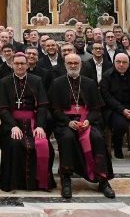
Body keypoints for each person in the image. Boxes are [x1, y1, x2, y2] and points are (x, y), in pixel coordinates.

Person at [48, 54, 114, 199]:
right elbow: (54, 109)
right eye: (69, 63)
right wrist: (67, 122)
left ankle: (103, 180)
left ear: (81, 65)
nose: (73, 65)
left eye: (75, 63)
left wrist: (88, 121)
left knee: (97, 138)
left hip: (86, 122)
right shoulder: (57, 83)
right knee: (67, 138)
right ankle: (66, 178)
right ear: (64, 65)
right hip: (65, 122)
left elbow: (96, 108)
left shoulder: (90, 83)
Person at [0, 53, 53, 193]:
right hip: (11, 124)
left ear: (27, 65)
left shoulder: (36, 80)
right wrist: (13, 126)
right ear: (12, 65)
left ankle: (40, 182)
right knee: (14, 144)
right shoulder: (4, 82)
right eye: (17, 63)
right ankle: (13, 182)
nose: (20, 66)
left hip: (33, 122)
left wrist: (40, 126)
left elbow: (43, 106)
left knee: (44, 144)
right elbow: (3, 109)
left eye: (22, 63)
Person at [100, 52, 130, 159]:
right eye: (118, 62)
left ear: (129, 63)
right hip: (115, 109)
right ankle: (117, 147)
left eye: (124, 62)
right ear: (114, 62)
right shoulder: (107, 75)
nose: (121, 64)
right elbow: (107, 96)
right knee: (121, 125)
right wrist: (122, 110)